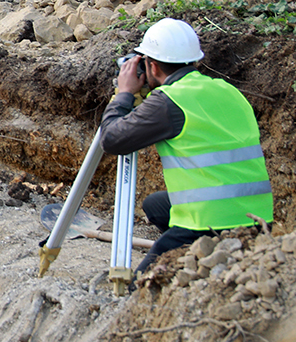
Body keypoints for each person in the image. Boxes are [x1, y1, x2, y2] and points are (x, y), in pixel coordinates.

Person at [101, 18, 274, 272]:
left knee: (141, 285)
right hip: (257, 218)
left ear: (152, 66)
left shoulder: (169, 101)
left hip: (211, 222)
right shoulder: (226, 90)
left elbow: (112, 140)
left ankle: (196, 252)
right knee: (155, 205)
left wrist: (125, 94)